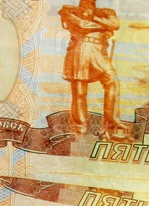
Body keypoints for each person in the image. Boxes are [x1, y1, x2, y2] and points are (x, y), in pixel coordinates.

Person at [59, 0, 128, 139]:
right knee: (79, 91)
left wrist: (94, 16)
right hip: (80, 51)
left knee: (113, 81)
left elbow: (115, 25)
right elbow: (81, 25)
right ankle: (80, 128)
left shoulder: (106, 12)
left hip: (98, 52)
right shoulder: (68, 10)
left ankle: (112, 123)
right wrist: (103, 27)